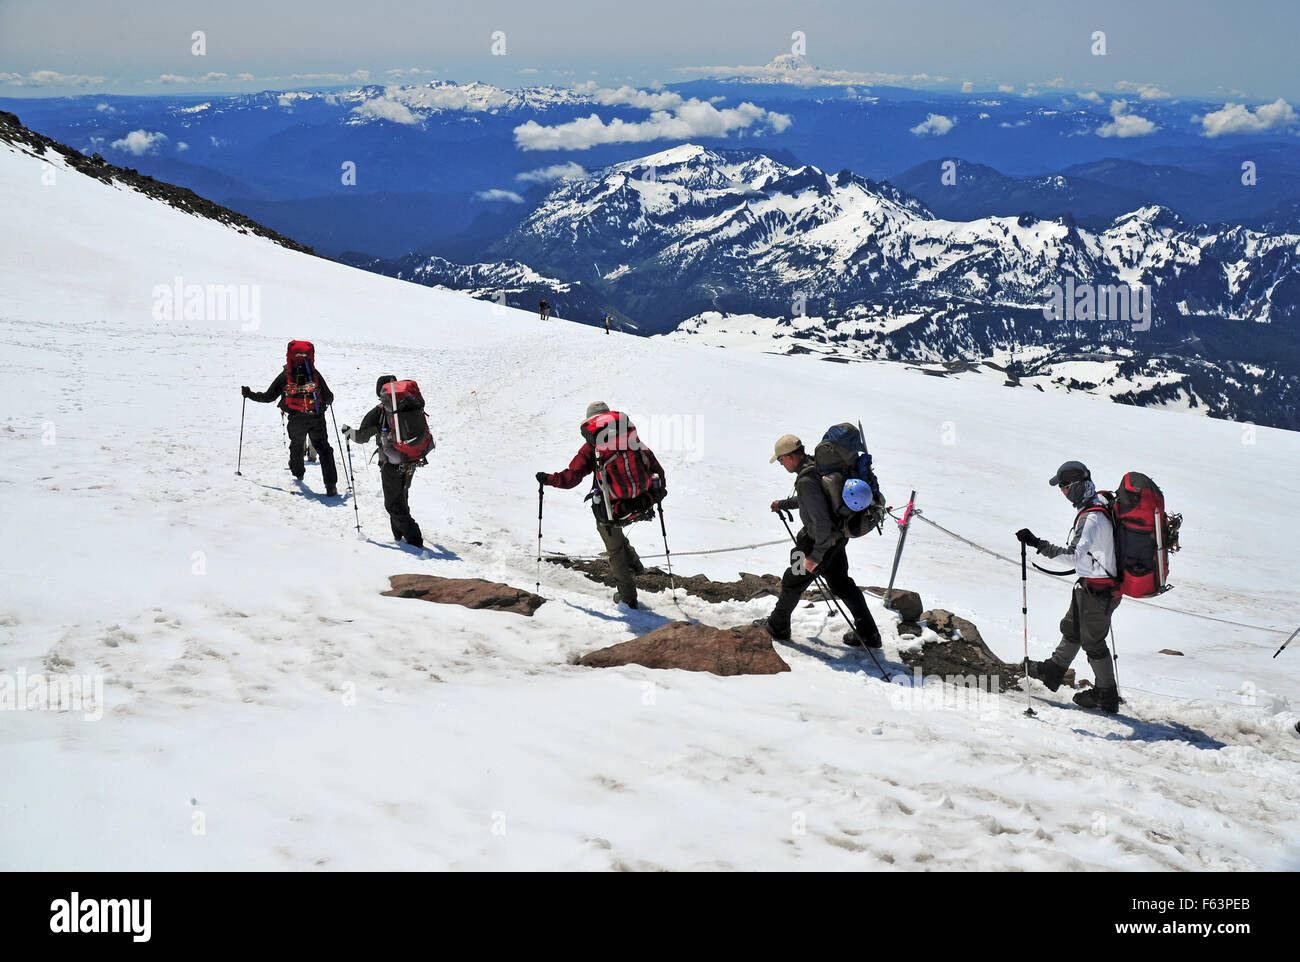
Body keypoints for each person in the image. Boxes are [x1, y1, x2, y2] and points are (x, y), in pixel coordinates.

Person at [1017, 460, 1122, 713]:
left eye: (1065, 486)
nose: (1062, 492)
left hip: (1100, 590)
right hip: (1092, 586)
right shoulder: (1097, 505)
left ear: (1077, 485)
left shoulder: (1092, 517)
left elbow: (1074, 556)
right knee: (1073, 628)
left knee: (1094, 642)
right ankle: (1054, 670)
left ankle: (1106, 695)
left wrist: (1038, 544)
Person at [763, 434, 881, 648]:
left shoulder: (806, 479)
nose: (781, 464)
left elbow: (820, 520)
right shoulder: (816, 466)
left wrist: (815, 557)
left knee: (792, 580)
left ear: (790, 457)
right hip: (837, 539)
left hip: (816, 543)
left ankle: (777, 626)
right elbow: (816, 501)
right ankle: (869, 633)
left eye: (781, 460)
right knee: (841, 584)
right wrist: (785, 504)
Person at [536, 401, 649, 609]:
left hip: (610, 506)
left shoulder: (592, 445)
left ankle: (627, 597)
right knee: (616, 538)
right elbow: (649, 460)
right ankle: (634, 563)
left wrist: (548, 479)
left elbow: (571, 478)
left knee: (613, 549)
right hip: (640, 499)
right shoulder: (629, 437)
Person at [241, 344, 338, 497]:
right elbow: (329, 396)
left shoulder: (286, 375)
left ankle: (298, 473)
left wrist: (249, 394)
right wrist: (323, 405)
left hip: (296, 418)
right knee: (324, 449)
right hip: (316, 417)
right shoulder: (314, 374)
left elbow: (268, 397)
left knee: (297, 445)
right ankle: (331, 485)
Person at [341, 375, 424, 549]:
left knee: (393, 504)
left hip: (391, 464)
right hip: (412, 459)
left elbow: (362, 437)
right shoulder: (409, 406)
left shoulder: (379, 412)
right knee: (401, 497)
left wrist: (347, 431)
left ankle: (414, 540)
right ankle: (399, 536)